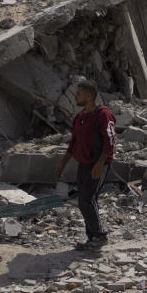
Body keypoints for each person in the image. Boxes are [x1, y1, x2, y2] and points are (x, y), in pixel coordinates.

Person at [54, 79, 117, 251]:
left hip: (98, 165)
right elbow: (73, 144)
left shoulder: (103, 114)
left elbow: (110, 140)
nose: (75, 96)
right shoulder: (80, 117)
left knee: (86, 199)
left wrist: (100, 163)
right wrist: (62, 165)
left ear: (89, 96)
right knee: (86, 200)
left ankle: (99, 236)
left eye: (79, 93)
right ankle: (92, 239)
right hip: (83, 165)